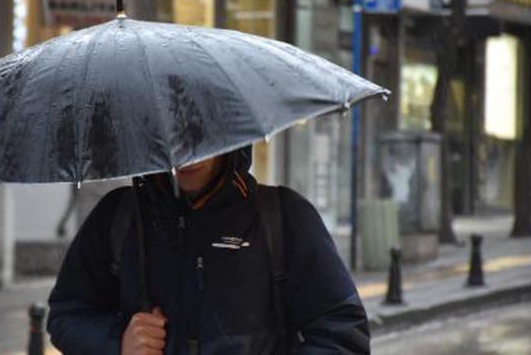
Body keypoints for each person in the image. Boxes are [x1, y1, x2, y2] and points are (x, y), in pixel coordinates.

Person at [47, 147, 369, 354]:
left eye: (201, 131)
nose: (188, 151)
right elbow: (66, 315)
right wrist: (118, 342)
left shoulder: (283, 217)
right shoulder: (120, 216)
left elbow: (343, 334)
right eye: (175, 131)